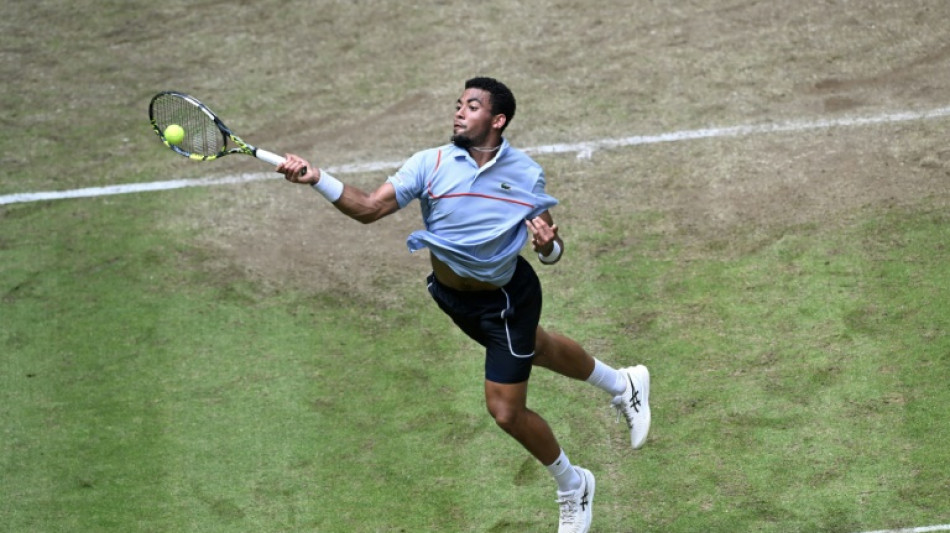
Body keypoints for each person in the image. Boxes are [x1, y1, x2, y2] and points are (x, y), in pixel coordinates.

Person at [277, 77, 650, 533]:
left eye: (471, 106)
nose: (458, 112)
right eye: (458, 105)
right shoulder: (429, 163)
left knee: (505, 410)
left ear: (497, 120)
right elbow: (370, 208)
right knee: (539, 348)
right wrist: (317, 179)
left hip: (507, 297)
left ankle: (573, 484)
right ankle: (623, 382)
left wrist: (548, 245)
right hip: (454, 299)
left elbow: (551, 251)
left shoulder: (524, 173)